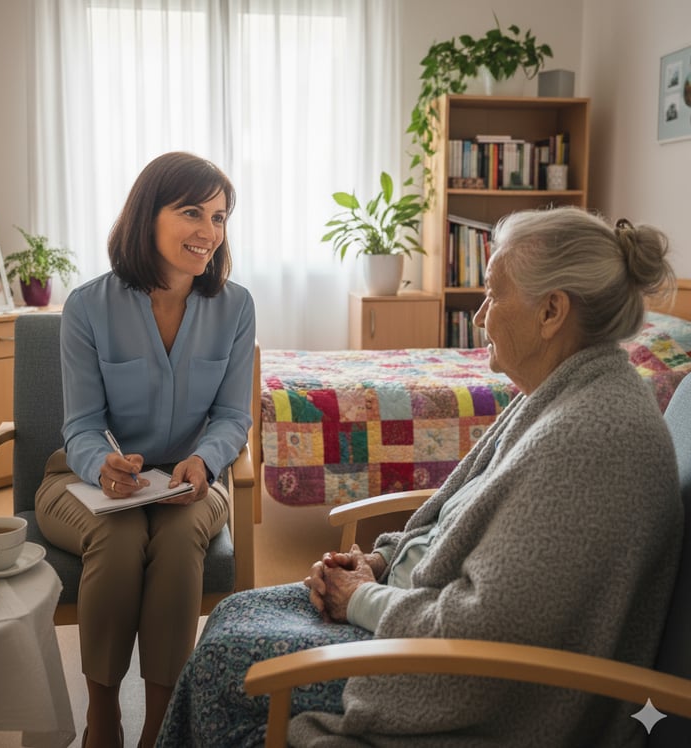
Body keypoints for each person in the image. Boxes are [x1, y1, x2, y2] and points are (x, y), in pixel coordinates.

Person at [157, 206, 683, 747]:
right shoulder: (560, 393)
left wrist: (360, 597)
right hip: (415, 612)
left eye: (494, 294)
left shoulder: (592, 439)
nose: (480, 316)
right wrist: (381, 561)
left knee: (226, 661)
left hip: (455, 684)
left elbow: (486, 632)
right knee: (235, 612)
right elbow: (470, 517)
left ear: (551, 312)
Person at [35, 151, 255, 748]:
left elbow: (234, 415)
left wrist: (205, 460)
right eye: (192, 212)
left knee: (180, 531)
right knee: (119, 533)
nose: (209, 232)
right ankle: (101, 717)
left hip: (191, 480)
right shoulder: (87, 307)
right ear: (146, 216)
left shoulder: (235, 308)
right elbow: (80, 425)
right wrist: (100, 465)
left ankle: (162, 726)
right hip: (83, 480)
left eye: (220, 216)